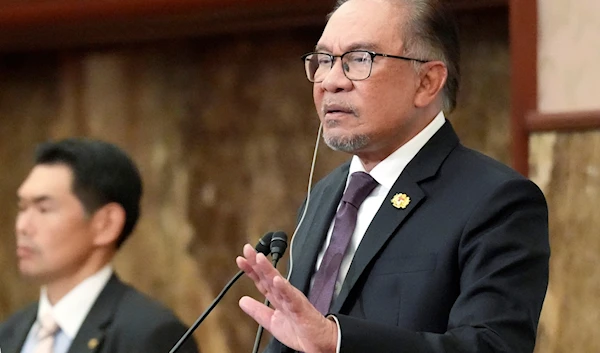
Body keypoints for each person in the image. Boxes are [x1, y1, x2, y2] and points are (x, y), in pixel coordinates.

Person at [236, 0, 550, 352]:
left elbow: (492, 346)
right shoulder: (325, 194)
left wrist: (339, 341)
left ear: (427, 82)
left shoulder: (496, 201)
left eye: (359, 60)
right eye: (323, 60)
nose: (331, 82)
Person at [0, 138, 199, 353]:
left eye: (44, 209)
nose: (22, 226)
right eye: (22, 208)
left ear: (106, 224)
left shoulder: (150, 335)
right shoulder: (9, 333)